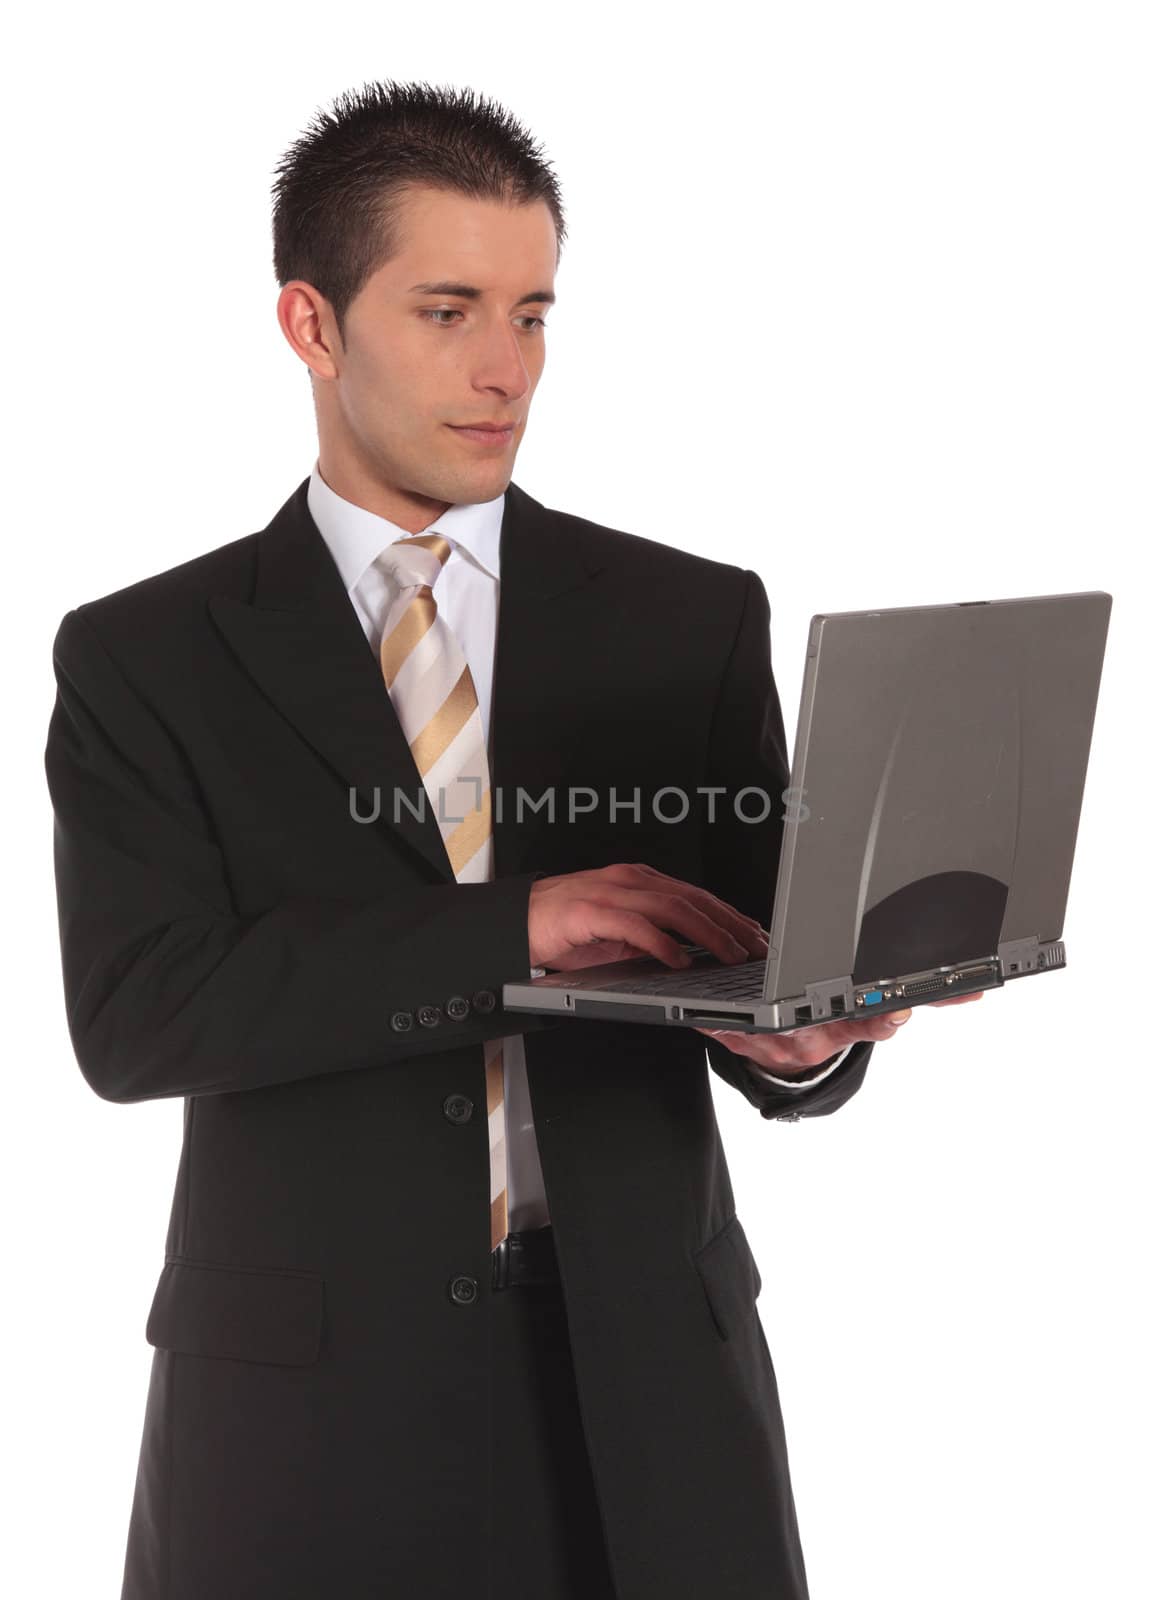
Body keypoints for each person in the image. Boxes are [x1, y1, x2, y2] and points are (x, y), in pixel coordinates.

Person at [44, 78, 980, 1600]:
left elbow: (756, 973)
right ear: (311, 324)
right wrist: (515, 927)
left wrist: (812, 1041)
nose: (506, 370)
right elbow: (141, 1018)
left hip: (650, 1386)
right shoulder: (148, 655)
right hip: (299, 1410)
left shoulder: (688, 617)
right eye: (450, 309)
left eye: (536, 313)